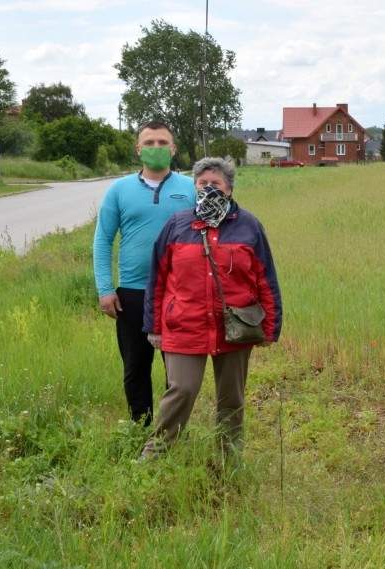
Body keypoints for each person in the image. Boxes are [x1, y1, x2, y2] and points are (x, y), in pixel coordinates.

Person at [140, 157, 282, 458]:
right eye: (202, 183)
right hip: (184, 324)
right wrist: (154, 327)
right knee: (182, 390)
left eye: (215, 183)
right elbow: (158, 278)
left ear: (229, 188)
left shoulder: (249, 226)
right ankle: (155, 455)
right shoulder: (177, 224)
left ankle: (227, 459)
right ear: (194, 187)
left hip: (235, 326)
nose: (208, 188)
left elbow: (265, 279)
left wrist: (270, 328)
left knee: (231, 398)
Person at [93, 120, 196, 426]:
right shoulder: (119, 190)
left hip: (179, 293)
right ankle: (141, 426)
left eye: (162, 143)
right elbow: (103, 240)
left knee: (176, 370)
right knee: (135, 367)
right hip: (132, 293)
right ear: (138, 150)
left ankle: (171, 431)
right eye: (149, 143)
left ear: (173, 149)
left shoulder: (190, 189)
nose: (156, 148)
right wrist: (105, 288)